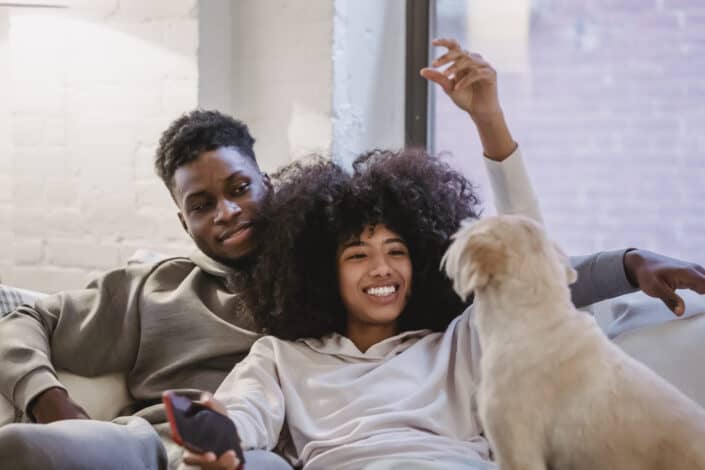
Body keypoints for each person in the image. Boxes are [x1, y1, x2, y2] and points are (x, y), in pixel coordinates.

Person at [0, 38, 702, 470]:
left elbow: (526, 258)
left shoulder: (460, 340)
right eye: (356, 254)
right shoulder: (281, 353)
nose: (380, 268)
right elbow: (244, 413)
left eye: (396, 250)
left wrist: (488, 119)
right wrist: (213, 433)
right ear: (319, 269)